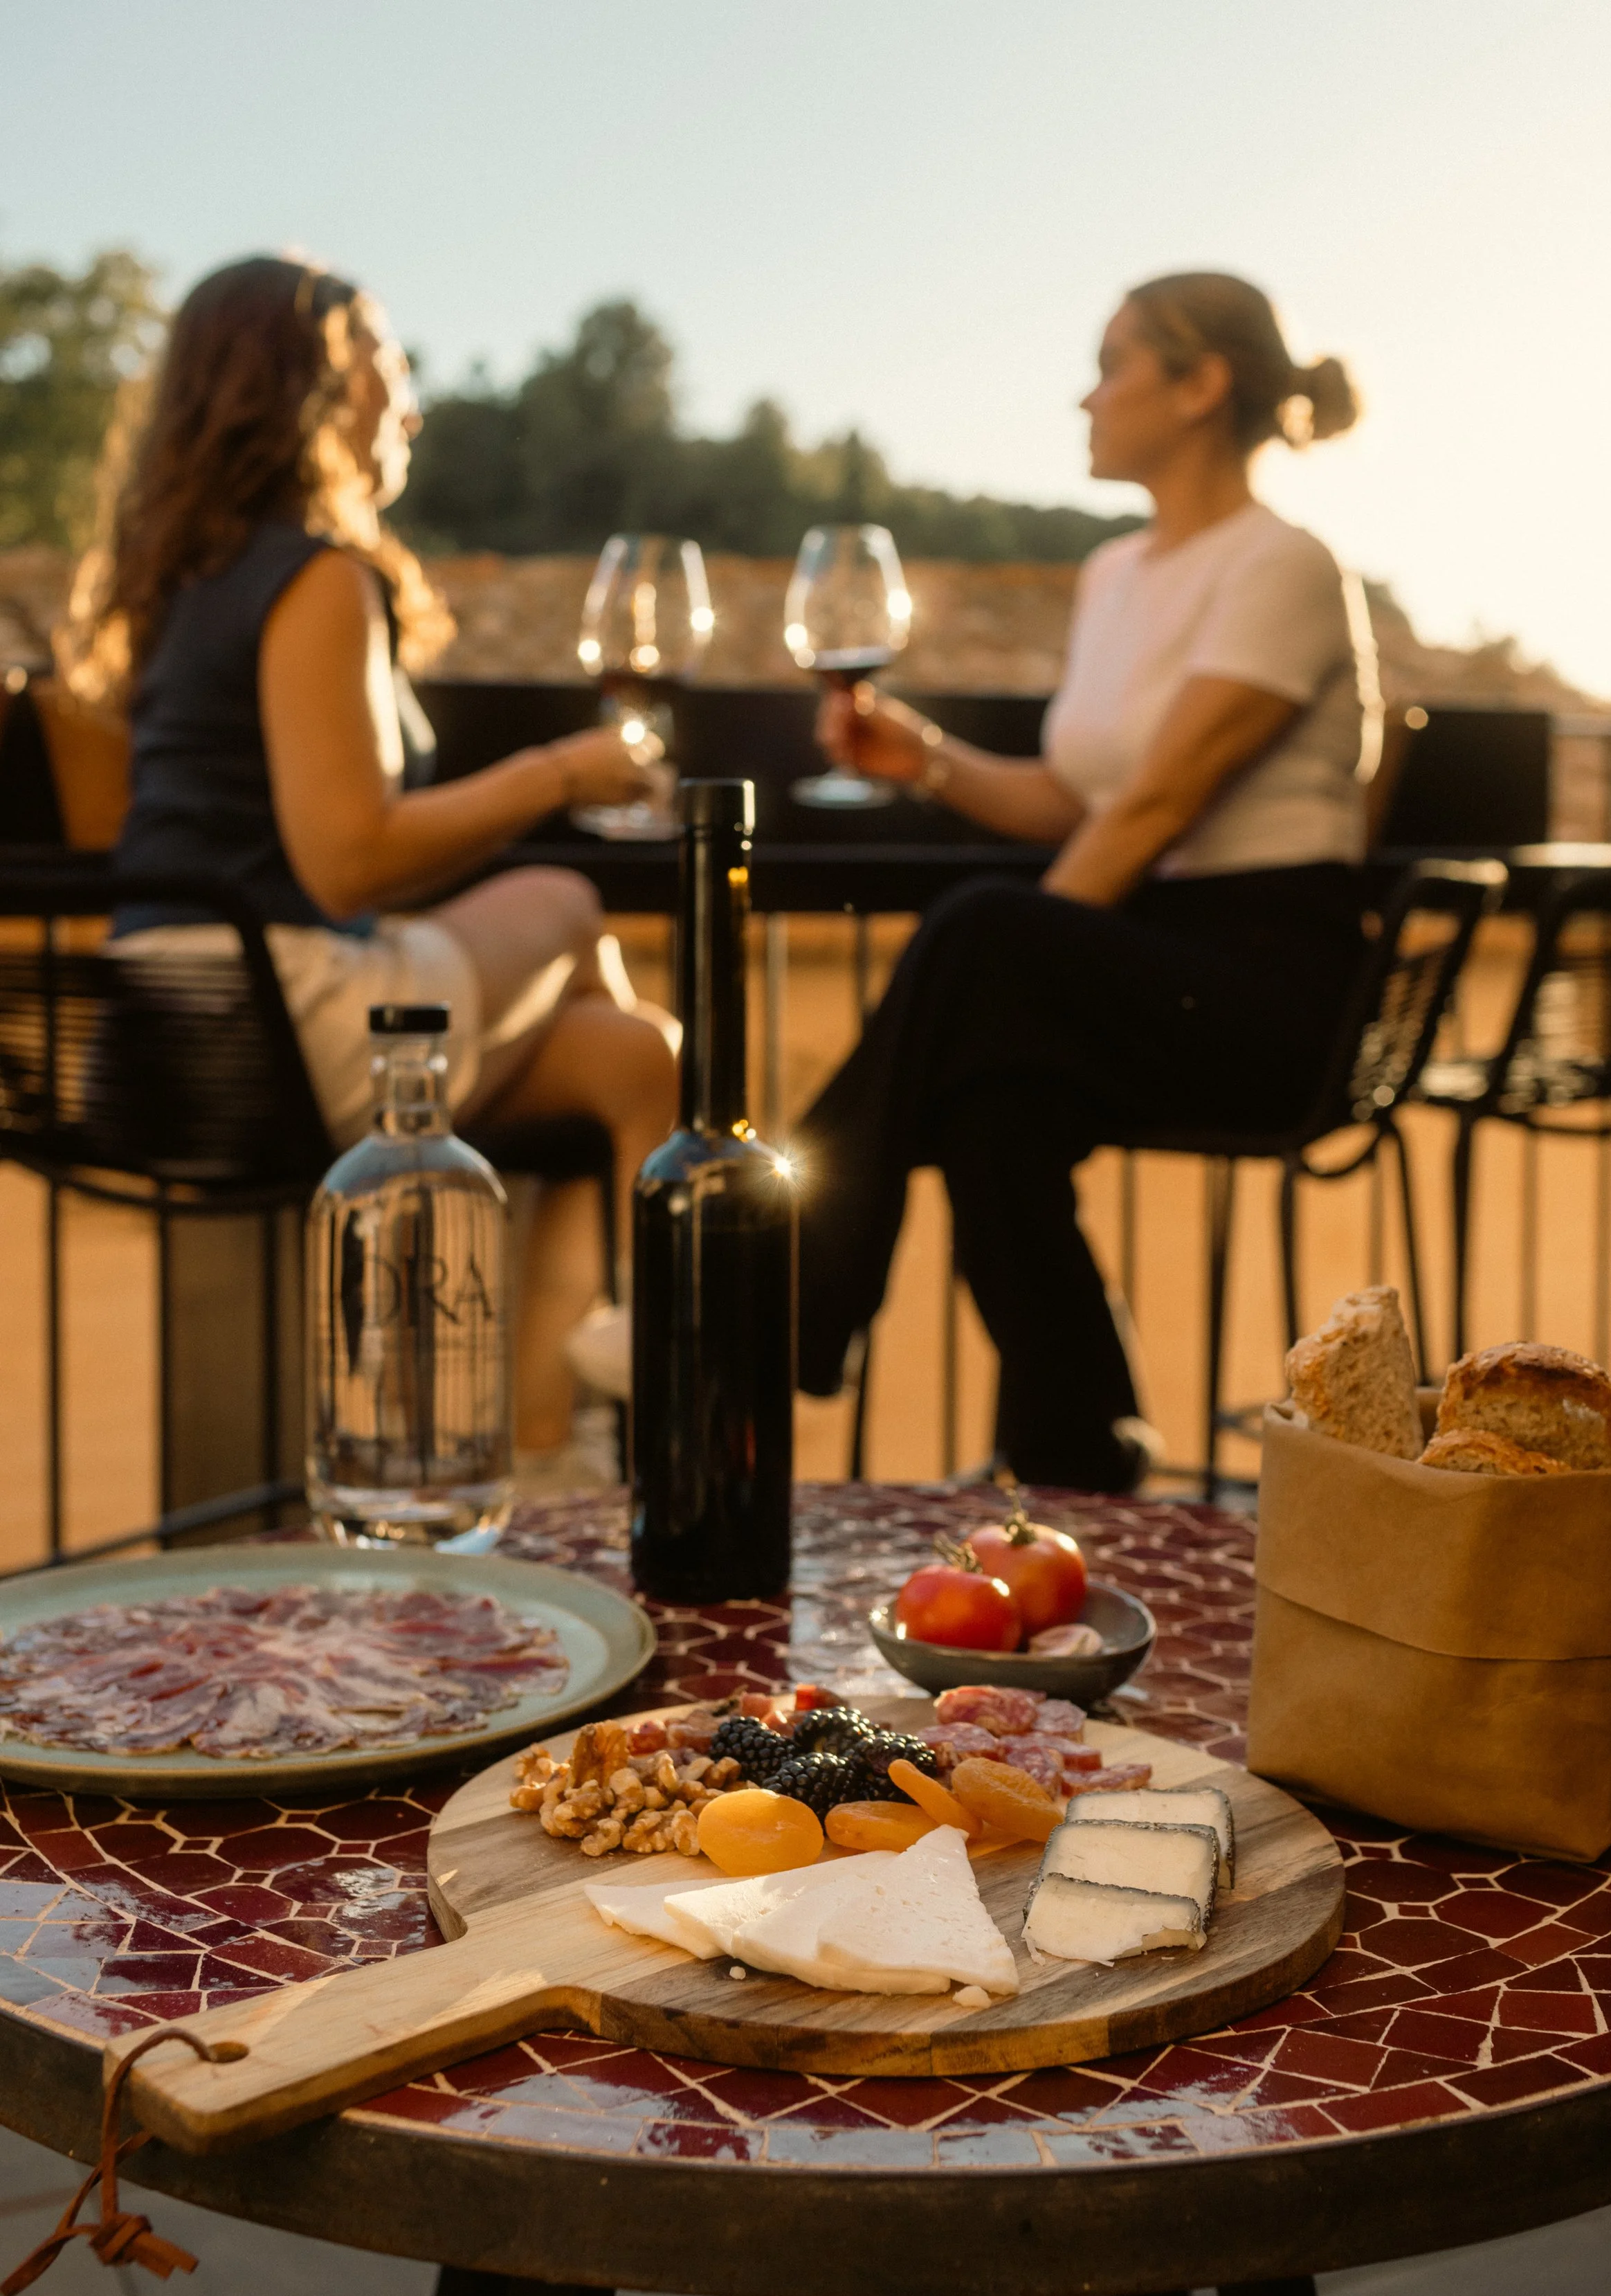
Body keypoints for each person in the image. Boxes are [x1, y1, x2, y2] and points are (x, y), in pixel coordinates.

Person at [63, 255, 677, 1464]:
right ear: (322, 383)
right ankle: (615, 1369)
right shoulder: (316, 578)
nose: (411, 400)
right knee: (566, 898)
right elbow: (345, 861)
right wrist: (562, 773)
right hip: (268, 1014)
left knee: (634, 1053)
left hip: (159, 1022)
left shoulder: (183, 581)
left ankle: (549, 1446)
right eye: (390, 362)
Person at [795, 271, 1377, 1492]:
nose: (1086, 396)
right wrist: (926, 760)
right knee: (990, 1100)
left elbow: (1161, 807)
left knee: (983, 941)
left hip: (1267, 985)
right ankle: (1077, 1452)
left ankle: (775, 1284)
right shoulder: (1113, 574)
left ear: (1202, 384)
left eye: (1114, 365)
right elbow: (1083, 801)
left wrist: (1007, 958)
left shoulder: (1283, 566)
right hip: (1146, 954)